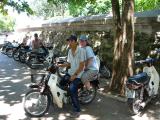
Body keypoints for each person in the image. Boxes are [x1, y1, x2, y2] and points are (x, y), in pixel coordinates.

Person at [58, 35, 86, 118]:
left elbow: (81, 66)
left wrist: (75, 75)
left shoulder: (81, 51)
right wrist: (60, 65)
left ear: (75, 42)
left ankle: (77, 110)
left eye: (70, 41)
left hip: (78, 74)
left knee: (72, 89)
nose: (69, 43)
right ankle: (67, 98)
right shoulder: (70, 51)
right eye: (68, 41)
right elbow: (69, 64)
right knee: (61, 83)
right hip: (70, 73)